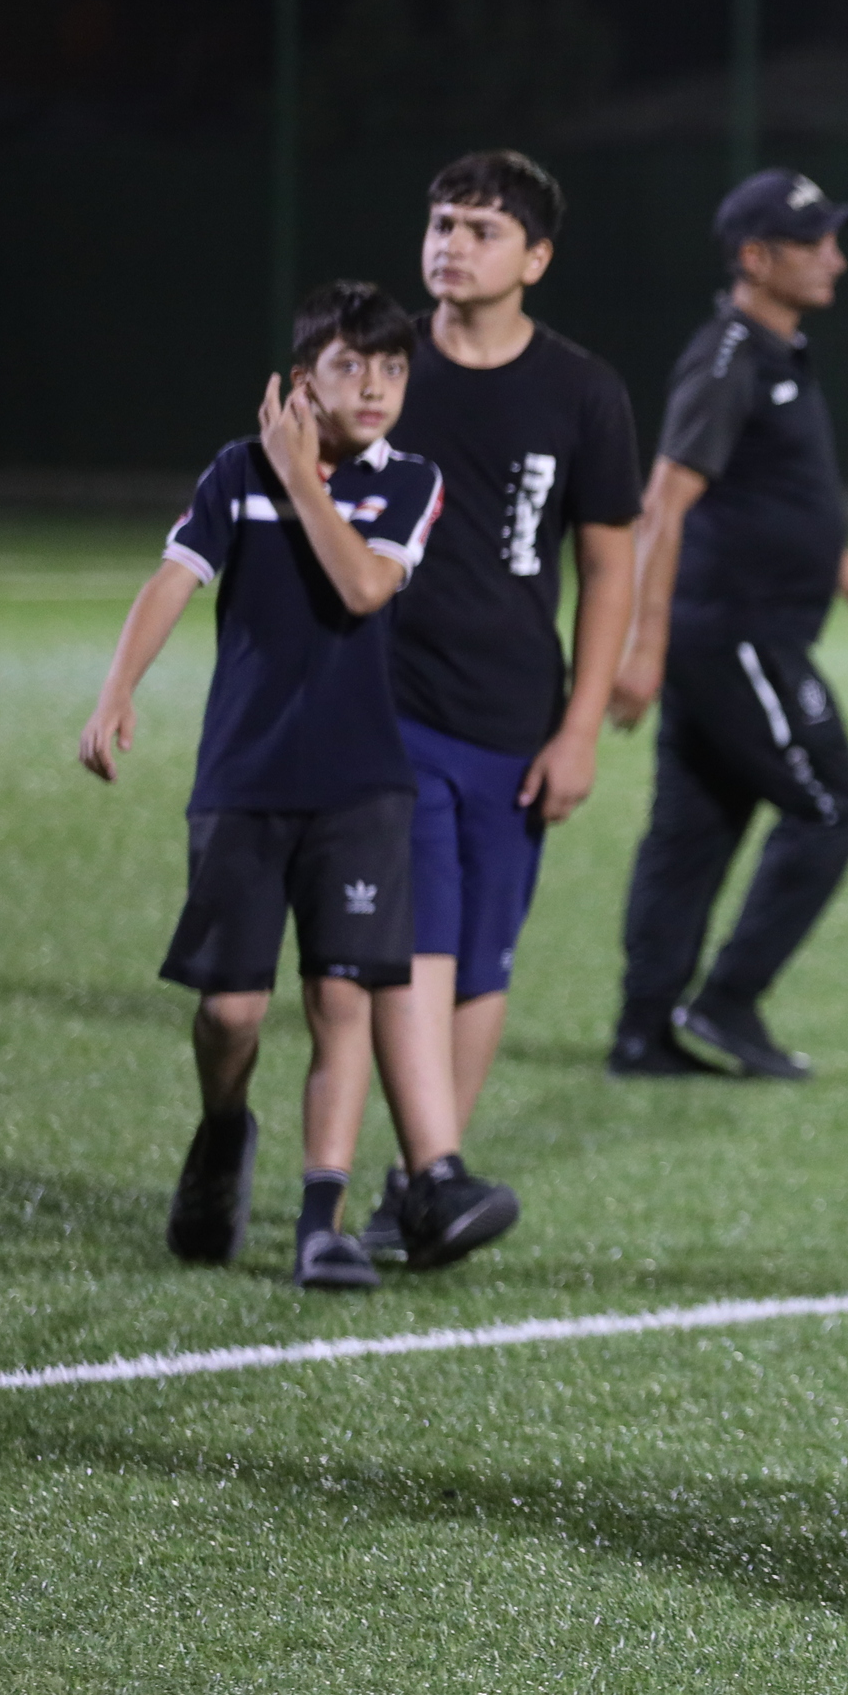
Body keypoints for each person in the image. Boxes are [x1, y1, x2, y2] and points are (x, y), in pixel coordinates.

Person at [78, 282, 517, 1291]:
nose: (375, 386)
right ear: (301, 380)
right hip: (244, 777)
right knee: (231, 1011)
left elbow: (364, 588)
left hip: (363, 788)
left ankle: (322, 1222)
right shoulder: (237, 471)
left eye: (393, 368)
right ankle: (223, 1129)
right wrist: (117, 689)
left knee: (340, 997)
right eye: (350, 365)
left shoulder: (411, 481)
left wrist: (302, 480)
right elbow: (173, 576)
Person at [357, 151, 640, 1255]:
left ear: (537, 258)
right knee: (418, 938)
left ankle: (418, 1188)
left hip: (516, 720)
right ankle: (437, 1170)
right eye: (442, 223)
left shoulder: (583, 391)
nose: (452, 245)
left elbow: (608, 566)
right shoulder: (379, 369)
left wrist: (579, 729)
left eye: (481, 229)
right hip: (392, 707)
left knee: (481, 961)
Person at [606, 170, 848, 1080]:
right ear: (756, 258)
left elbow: (791, 503)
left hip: (742, 632)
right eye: (815, 242)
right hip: (733, 635)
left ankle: (643, 1032)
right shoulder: (727, 359)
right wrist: (642, 648)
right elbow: (662, 505)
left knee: (693, 829)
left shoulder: (779, 354)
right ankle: (728, 1000)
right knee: (831, 806)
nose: (836, 259)